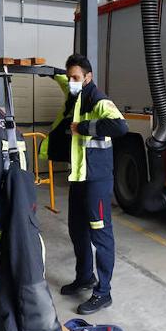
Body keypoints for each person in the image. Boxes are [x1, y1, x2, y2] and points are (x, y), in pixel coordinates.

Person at [48, 54, 127, 314]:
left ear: (88, 77)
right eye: (69, 77)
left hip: (97, 179)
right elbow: (62, 78)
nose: (71, 81)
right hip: (79, 177)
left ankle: (103, 293)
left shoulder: (97, 99)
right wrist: (46, 70)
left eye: (76, 78)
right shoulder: (75, 96)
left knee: (100, 235)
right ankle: (84, 277)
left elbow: (120, 126)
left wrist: (83, 127)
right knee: (77, 230)